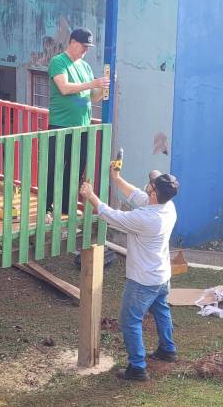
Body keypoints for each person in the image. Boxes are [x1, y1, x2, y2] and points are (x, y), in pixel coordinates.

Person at [79, 167, 180, 382]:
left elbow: (111, 215)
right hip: (161, 277)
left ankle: (137, 367)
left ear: (154, 194)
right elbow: (135, 194)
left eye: (151, 185)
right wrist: (117, 178)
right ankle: (167, 350)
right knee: (161, 310)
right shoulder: (167, 206)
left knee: (129, 321)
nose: (148, 185)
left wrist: (90, 196)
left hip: (143, 281)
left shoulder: (146, 218)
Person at [45, 28, 110, 220]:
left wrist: (103, 86)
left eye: (88, 47)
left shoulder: (85, 67)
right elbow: (64, 88)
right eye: (83, 46)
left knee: (75, 169)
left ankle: (66, 206)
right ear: (72, 42)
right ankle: (46, 208)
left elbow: (93, 97)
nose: (85, 50)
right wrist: (92, 84)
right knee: (54, 168)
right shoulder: (58, 61)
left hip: (82, 126)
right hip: (60, 125)